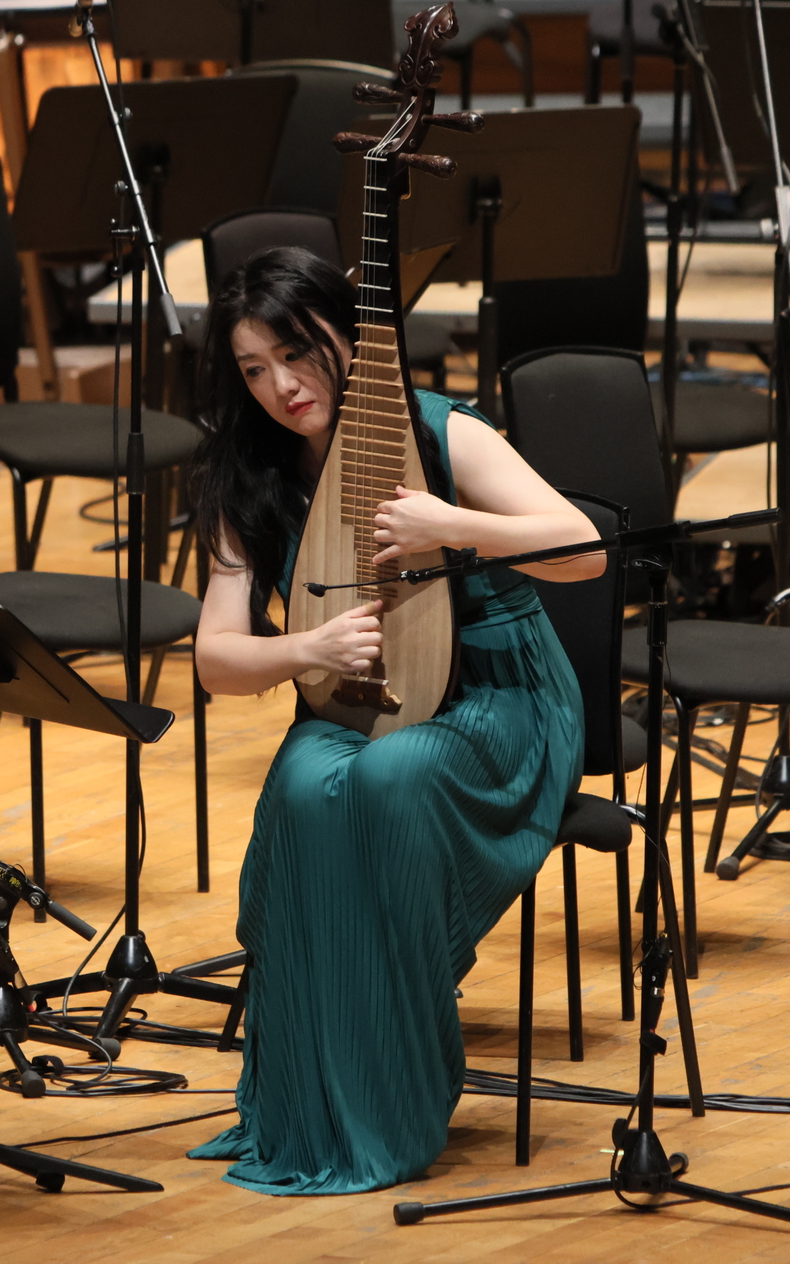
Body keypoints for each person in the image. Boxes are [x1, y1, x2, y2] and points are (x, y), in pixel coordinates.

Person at [185, 247, 602, 1195]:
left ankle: (396, 1104)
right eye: (254, 368)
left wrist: (452, 526)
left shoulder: (442, 432)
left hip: (501, 700)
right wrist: (306, 648)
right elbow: (215, 658)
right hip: (356, 695)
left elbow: (583, 548)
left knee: (387, 779)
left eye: (298, 351)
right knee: (301, 786)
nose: (282, 385)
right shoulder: (251, 475)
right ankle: (311, 1113)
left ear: (352, 337)